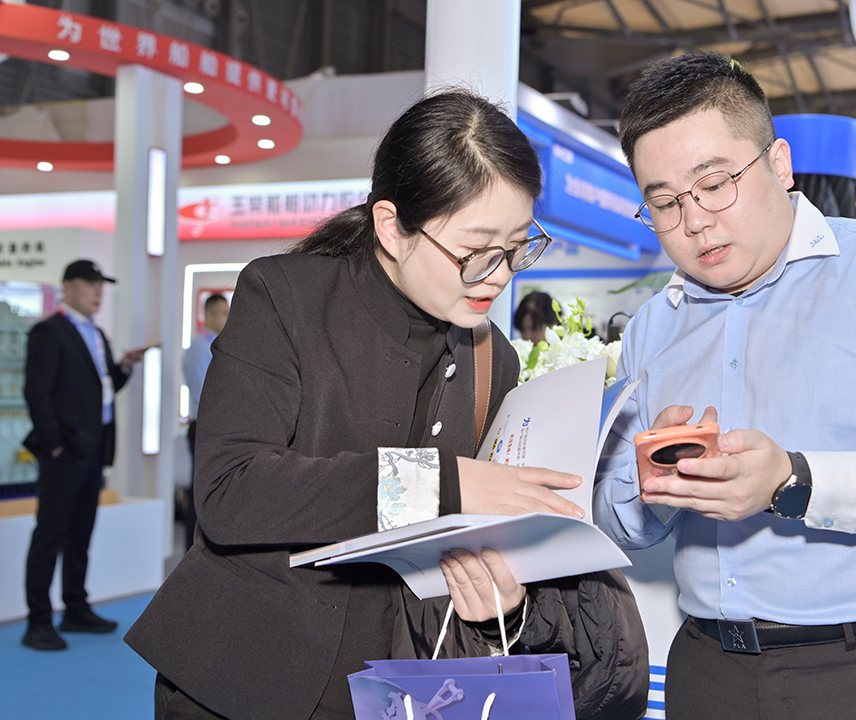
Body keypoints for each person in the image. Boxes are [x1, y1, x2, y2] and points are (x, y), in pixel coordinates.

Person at [126, 90, 648, 720]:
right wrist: (443, 485)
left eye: (517, 246)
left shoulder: (494, 359)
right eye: (475, 251)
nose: (500, 274)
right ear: (391, 227)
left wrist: (502, 600)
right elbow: (230, 491)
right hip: (242, 676)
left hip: (400, 684)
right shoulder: (285, 297)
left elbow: (474, 543)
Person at [593, 53, 856, 720]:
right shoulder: (653, 326)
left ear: (780, 163)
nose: (695, 220)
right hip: (709, 672)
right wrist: (652, 482)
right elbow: (617, 518)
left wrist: (796, 481)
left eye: (714, 184)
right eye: (665, 202)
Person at [21, 259, 148, 651]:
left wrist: (123, 367)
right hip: (65, 452)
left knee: (80, 534)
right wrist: (54, 445)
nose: (98, 292)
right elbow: (36, 392)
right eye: (90, 284)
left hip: (93, 449)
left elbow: (101, 387)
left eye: (101, 285)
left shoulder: (96, 333)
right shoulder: (49, 331)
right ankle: (38, 620)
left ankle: (75, 607)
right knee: (50, 534)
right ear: (67, 286)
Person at [180, 293, 230, 551]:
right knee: (201, 492)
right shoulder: (199, 348)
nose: (228, 318)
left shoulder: (219, 346)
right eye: (224, 313)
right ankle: (193, 551)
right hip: (204, 427)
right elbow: (206, 394)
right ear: (209, 314)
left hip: (216, 428)